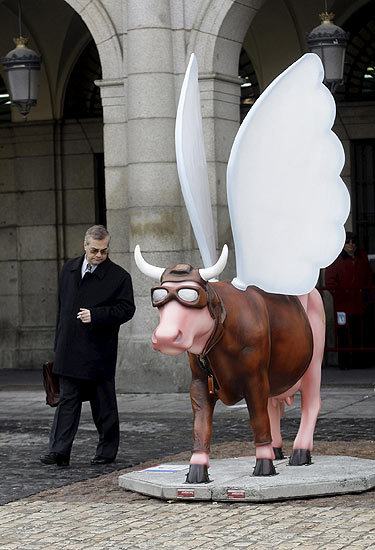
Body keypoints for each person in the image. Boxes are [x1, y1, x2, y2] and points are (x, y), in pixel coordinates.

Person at [40, 225, 136, 466]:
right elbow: (61, 310)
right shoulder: (69, 269)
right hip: (69, 349)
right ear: (85, 246)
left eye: (104, 251)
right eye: (94, 250)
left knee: (103, 404)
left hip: (98, 351)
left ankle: (106, 452)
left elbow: (127, 309)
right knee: (67, 402)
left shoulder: (119, 277)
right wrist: (58, 345)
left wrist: (97, 315)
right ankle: (58, 451)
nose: (99, 256)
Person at [325, 231, 373, 369]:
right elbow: (330, 281)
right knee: (343, 332)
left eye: (353, 242)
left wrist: (367, 295)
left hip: (359, 303)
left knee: (358, 332)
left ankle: (358, 362)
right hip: (343, 305)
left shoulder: (361, 257)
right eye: (348, 242)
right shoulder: (336, 259)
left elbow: (369, 277)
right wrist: (341, 295)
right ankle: (345, 363)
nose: (351, 245)